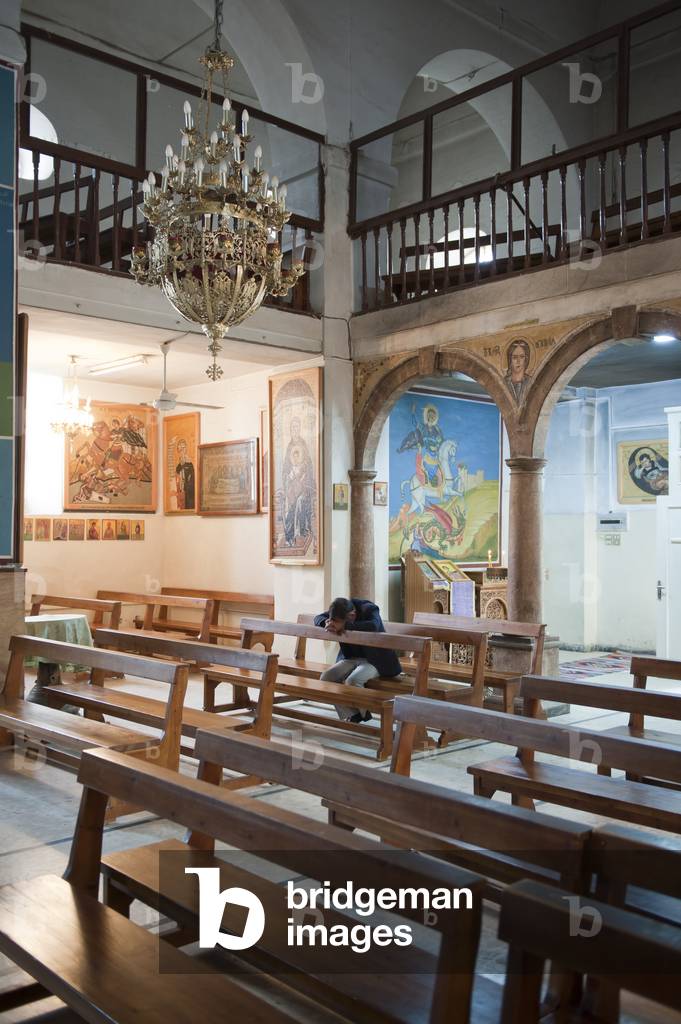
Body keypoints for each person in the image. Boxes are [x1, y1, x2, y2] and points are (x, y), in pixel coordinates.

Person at [314, 597, 401, 724]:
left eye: (339, 621)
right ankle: (355, 714)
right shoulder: (339, 610)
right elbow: (317, 618)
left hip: (375, 660)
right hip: (351, 658)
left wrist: (344, 626)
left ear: (352, 615)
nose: (336, 622)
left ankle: (363, 712)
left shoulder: (369, 608)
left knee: (353, 680)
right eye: (334, 620)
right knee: (326, 678)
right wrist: (327, 624)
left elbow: (373, 625)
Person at [504, 339, 532, 403]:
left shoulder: (531, 382)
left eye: (522, 357)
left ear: (526, 359)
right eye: (515, 357)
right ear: (510, 360)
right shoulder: (504, 382)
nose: (518, 361)